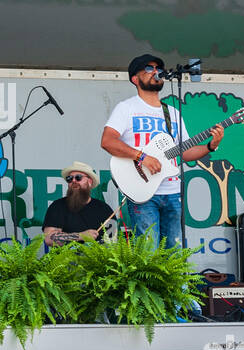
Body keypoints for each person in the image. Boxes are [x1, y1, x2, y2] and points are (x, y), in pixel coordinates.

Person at [100, 54, 223, 248]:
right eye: (148, 69)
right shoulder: (126, 108)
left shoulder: (172, 113)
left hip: (173, 191)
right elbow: (107, 141)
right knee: (148, 254)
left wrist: (211, 146)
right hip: (142, 191)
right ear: (135, 78)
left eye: (158, 69)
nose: (156, 72)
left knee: (173, 254)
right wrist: (141, 157)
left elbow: (183, 153)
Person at [43, 162, 115, 247]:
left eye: (78, 177)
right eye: (69, 178)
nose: (73, 181)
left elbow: (113, 242)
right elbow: (49, 238)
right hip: (65, 259)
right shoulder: (57, 206)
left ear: (90, 182)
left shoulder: (104, 209)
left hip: (97, 259)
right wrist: (80, 236)